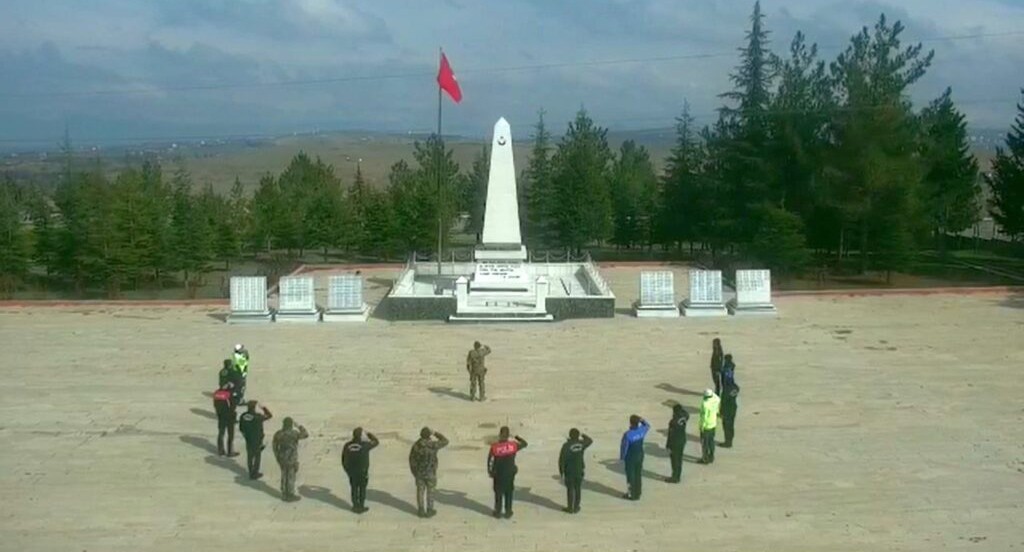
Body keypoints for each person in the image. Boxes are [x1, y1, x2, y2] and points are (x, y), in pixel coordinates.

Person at [408, 427, 450, 518]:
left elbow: (411, 460)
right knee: (431, 491)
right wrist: (435, 433)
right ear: (429, 435)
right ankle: (430, 510)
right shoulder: (433, 445)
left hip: (419, 472)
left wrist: (414, 472)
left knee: (420, 491)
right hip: (431, 472)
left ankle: (421, 510)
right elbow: (446, 441)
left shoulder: (416, 445)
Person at [487, 427, 527, 519]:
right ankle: (508, 512)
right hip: (510, 473)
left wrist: (490, 471)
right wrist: (516, 437)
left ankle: (498, 512)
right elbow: (525, 444)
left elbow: (490, 460)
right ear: (508, 435)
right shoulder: (513, 446)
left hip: (498, 474)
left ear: (500, 434)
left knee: (498, 493)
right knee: (509, 493)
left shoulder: (495, 447)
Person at [342, 427, 379, 514]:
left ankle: (355, 506)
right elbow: (376, 442)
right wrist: (369, 435)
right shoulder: (365, 445)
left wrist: (347, 470)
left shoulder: (347, 445)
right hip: (362, 471)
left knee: (354, 488)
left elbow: (343, 459)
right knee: (362, 489)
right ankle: (361, 506)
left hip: (352, 472)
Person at [272, 417, 308, 501]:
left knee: (284, 475)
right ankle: (290, 494)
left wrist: (277, 456)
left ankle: (284, 493)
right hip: (291, 457)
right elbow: (305, 434)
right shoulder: (294, 433)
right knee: (291, 476)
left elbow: (274, 446)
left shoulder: (278, 433)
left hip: (282, 457)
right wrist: (299, 426)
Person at [558, 428, 593, 513]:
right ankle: (576, 507)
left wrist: (561, 472)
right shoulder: (581, 444)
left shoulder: (566, 445)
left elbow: (561, 460)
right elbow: (590, 440)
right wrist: (582, 435)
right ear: (577, 436)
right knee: (578, 489)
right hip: (579, 470)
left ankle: (570, 508)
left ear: (570, 435)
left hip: (569, 471)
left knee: (570, 489)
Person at [238, 400, 273, 479]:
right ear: (254, 408)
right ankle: (255, 472)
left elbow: (241, 428)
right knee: (257, 456)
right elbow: (269, 415)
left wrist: (245, 435)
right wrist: (264, 408)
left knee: (250, 456)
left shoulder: (243, 416)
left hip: (248, 438)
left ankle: (251, 471)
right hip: (257, 439)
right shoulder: (258, 417)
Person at [619, 415, 650, 500]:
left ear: (630, 422)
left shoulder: (628, 434)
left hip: (630, 458)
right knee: (638, 474)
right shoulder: (642, 430)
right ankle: (638, 492)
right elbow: (647, 425)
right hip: (640, 455)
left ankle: (631, 494)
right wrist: (642, 420)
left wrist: (622, 457)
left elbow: (624, 447)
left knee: (630, 476)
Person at [664, 404, 690, 483]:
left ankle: (675, 477)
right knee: (679, 458)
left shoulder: (673, 422)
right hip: (682, 440)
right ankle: (678, 475)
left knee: (674, 460)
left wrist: (668, 445)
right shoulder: (684, 417)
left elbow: (670, 435)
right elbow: (687, 413)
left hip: (675, 442)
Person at [212, 383, 238, 457]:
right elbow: (233, 405)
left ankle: (220, 450)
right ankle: (230, 451)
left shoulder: (216, 393)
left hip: (221, 416)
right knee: (230, 434)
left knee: (221, 433)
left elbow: (215, 405)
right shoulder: (229, 394)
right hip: (229, 416)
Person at [720, 363, 740, 448]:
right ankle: (730, 440)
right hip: (733, 408)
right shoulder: (736, 387)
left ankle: (727, 442)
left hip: (727, 410)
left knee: (727, 426)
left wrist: (721, 411)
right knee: (731, 425)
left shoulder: (726, 391)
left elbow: (723, 401)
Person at [699, 389, 721, 464]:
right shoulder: (715, 400)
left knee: (705, 443)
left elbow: (704, 417)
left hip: (706, 426)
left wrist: (702, 427)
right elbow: (717, 398)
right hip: (713, 424)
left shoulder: (705, 404)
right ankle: (711, 457)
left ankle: (705, 459)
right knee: (711, 441)